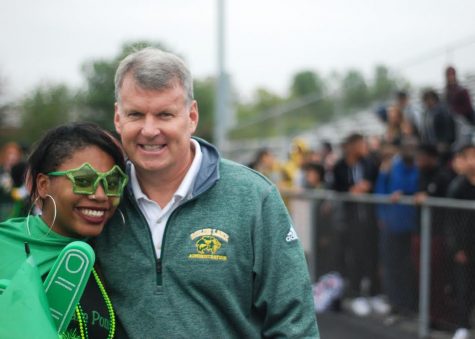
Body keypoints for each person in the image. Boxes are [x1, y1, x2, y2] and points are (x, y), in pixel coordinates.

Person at [94, 47, 319, 338]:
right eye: (136, 114)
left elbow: (294, 324)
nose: (149, 130)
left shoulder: (253, 198)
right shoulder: (98, 199)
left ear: (192, 116)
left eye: (165, 114)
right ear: (118, 118)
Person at [0, 122, 129, 338]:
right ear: (43, 185)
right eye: (83, 180)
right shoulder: (5, 245)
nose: (100, 195)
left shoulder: (117, 256)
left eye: (112, 183)